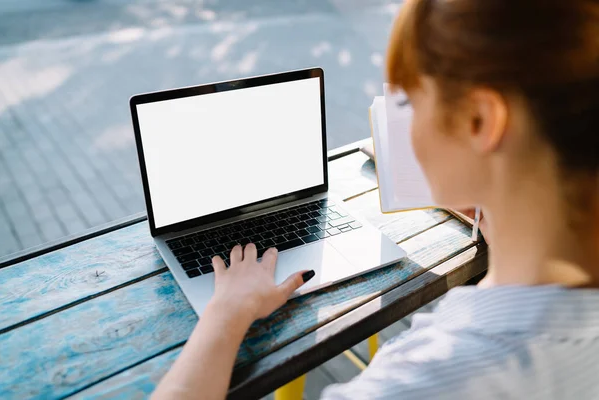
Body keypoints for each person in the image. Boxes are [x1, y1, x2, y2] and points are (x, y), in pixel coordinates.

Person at [153, 0, 599, 398]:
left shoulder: (428, 382)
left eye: (408, 103)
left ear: (480, 121)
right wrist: (505, 214)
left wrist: (227, 315)